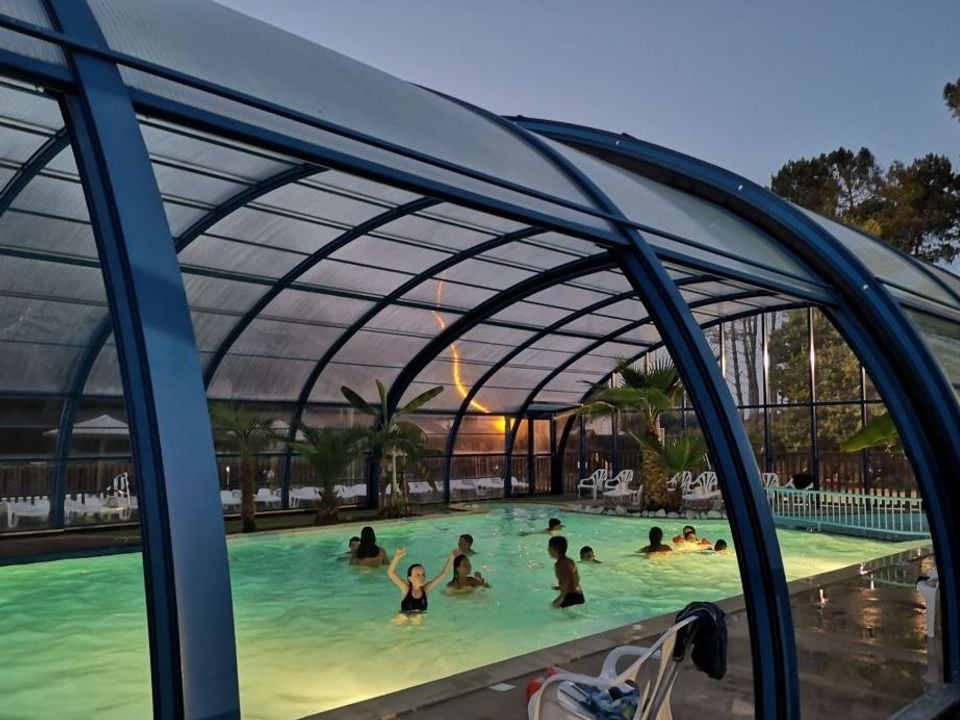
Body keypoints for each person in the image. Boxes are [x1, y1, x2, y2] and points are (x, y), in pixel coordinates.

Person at [387, 546, 458, 616]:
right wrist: (397, 558)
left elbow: (442, 575)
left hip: (419, 622)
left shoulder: (426, 589)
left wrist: (451, 558)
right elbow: (391, 573)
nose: (421, 577)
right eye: (417, 575)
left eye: (423, 574)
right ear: (410, 579)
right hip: (403, 621)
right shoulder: (406, 589)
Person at [549, 536, 584, 608]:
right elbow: (576, 578)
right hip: (579, 595)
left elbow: (566, 580)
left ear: (555, 549)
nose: (548, 550)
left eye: (549, 548)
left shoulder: (560, 564)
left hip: (570, 597)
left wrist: (561, 598)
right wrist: (559, 587)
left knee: (552, 607)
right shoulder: (569, 561)